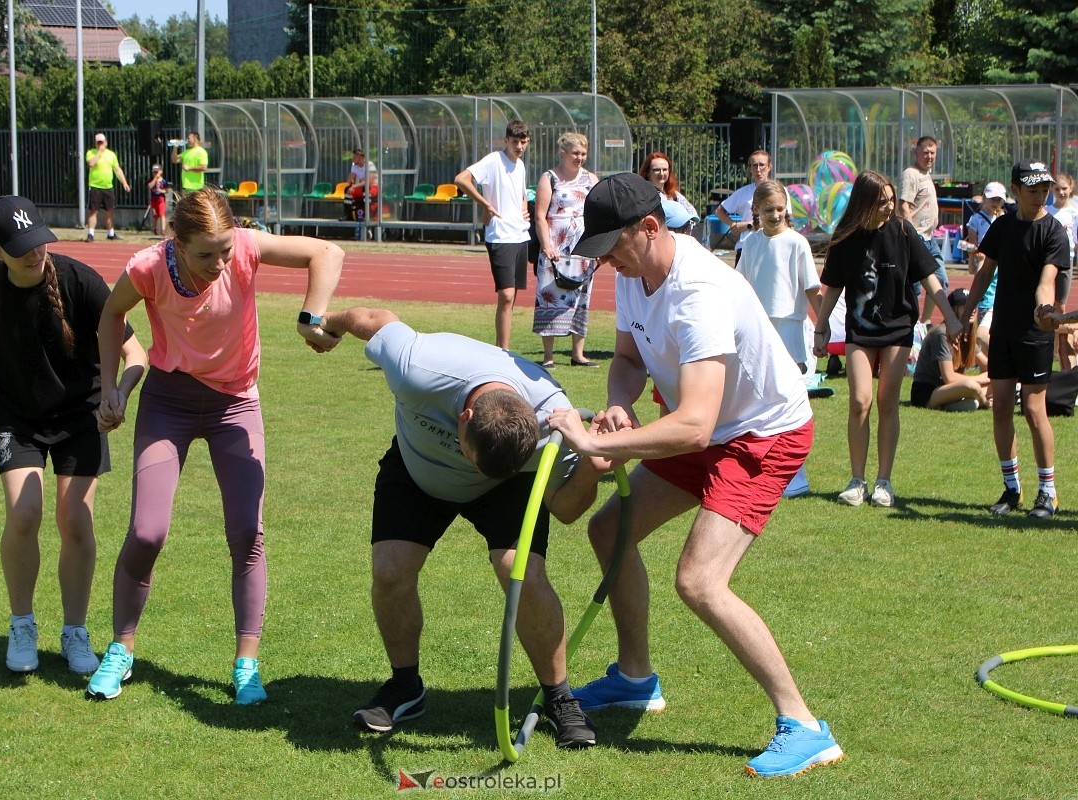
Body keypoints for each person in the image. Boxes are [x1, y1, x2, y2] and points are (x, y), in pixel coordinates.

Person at [550, 172, 844, 778]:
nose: (605, 265)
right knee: (609, 531)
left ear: (650, 228)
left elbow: (693, 426)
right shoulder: (636, 275)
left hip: (763, 435)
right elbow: (629, 359)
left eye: (610, 250)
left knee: (701, 581)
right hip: (705, 427)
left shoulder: (699, 290)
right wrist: (620, 404)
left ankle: (806, 727)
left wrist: (610, 444)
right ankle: (635, 678)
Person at [87, 187, 343, 703]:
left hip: (236, 406)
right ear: (175, 242)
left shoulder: (245, 248)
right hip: (168, 402)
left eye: (224, 250)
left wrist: (310, 318)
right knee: (146, 531)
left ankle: (246, 663)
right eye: (206, 253)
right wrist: (110, 386)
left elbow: (327, 252)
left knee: (247, 531)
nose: (220, 263)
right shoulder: (147, 266)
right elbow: (111, 316)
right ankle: (121, 648)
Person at [319, 306, 602, 748]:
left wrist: (593, 468)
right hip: (418, 468)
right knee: (391, 570)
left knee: (519, 571)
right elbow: (375, 317)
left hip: (510, 484)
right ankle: (405, 687)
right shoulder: (418, 365)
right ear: (463, 420)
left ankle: (559, 698)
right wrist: (331, 324)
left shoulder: (552, 420)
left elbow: (565, 509)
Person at [0, 195, 147, 673]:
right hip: (14, 416)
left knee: (75, 520)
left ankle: (75, 632)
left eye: (39, 241)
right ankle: (22, 624)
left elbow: (137, 354)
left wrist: (117, 393)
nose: (35, 252)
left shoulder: (79, 281)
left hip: (79, 415)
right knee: (25, 514)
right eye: (21, 246)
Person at [813, 170, 961, 508]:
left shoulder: (902, 231)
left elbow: (929, 278)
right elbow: (832, 287)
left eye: (891, 200)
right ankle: (856, 480)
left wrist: (950, 317)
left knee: (887, 401)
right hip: (860, 331)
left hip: (897, 329)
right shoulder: (846, 237)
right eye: (881, 202)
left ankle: (884, 481)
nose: (889, 207)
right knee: (860, 401)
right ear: (864, 203)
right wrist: (821, 329)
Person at [959, 160, 1070, 520]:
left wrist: (1043, 310)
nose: (1041, 195)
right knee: (1003, 407)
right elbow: (984, 274)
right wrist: (965, 313)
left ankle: (1048, 493)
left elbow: (1046, 280)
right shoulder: (1002, 227)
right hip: (1003, 329)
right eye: (1033, 189)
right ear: (1016, 191)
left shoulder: (1053, 231)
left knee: (1035, 411)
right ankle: (1012, 488)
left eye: (1045, 189)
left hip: (1034, 333)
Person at [454, 120, 532, 350]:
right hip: (500, 236)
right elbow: (461, 179)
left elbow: (521, 194)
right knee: (506, 295)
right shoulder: (493, 160)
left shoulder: (520, 166)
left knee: (512, 297)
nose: (519, 146)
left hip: (520, 235)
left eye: (523, 142)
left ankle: (504, 350)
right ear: (506, 140)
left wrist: (524, 209)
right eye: (515, 141)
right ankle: (501, 351)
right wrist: (484, 203)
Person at [736, 179, 821, 374]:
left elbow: (812, 288)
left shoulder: (797, 243)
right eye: (768, 210)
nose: (775, 215)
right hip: (758, 324)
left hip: (790, 324)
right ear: (756, 209)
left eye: (779, 209)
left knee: (790, 385)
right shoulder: (750, 243)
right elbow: (740, 285)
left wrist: (822, 327)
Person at [533, 132, 600, 369]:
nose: (580, 158)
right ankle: (548, 355)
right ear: (564, 153)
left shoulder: (591, 178)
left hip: (582, 248)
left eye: (583, 153)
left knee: (581, 298)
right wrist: (547, 245)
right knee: (550, 297)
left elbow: (597, 213)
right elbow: (540, 215)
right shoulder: (549, 178)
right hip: (555, 248)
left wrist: (598, 246)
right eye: (575, 153)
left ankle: (578, 354)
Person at [910, 288, 990, 411]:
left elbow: (988, 366)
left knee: (999, 381)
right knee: (971, 386)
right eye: (965, 306)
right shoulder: (941, 333)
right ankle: (984, 402)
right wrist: (980, 379)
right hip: (928, 392)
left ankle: (961, 402)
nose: (972, 310)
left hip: (952, 389)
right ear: (953, 309)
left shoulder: (967, 335)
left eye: (974, 305)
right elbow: (949, 378)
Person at [898, 135, 948, 326]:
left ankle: (924, 323)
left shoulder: (926, 175)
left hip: (930, 238)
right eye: (925, 152)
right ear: (916, 152)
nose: (929, 156)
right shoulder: (911, 174)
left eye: (932, 152)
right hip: (917, 238)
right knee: (915, 287)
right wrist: (913, 237)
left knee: (941, 280)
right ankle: (909, 325)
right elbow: (903, 206)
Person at [964, 181, 1008, 369]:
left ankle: (998, 365)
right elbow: (971, 246)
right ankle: (991, 368)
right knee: (981, 322)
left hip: (1000, 268)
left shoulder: (1005, 218)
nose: (995, 202)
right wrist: (974, 257)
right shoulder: (976, 220)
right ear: (984, 199)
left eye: (999, 199)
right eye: (992, 199)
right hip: (984, 265)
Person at [714, 149, 774, 264]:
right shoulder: (743, 192)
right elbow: (719, 211)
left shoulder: (780, 191)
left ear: (769, 166)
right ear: (750, 169)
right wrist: (733, 225)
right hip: (745, 248)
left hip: (769, 247)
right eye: (754, 165)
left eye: (762, 165)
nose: (758, 170)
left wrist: (747, 225)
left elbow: (781, 221)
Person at [1046, 172, 1077, 368]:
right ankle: (1051, 346)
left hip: (1067, 261)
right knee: (1047, 304)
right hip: (1049, 261)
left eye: (1064, 188)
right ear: (1052, 190)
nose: (1061, 192)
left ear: (1071, 188)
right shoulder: (1047, 211)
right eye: (1057, 189)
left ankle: (1061, 348)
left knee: (1061, 306)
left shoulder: (1074, 212)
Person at [85, 132, 131, 242]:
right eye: (98, 142)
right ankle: (90, 234)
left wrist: (124, 182)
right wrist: (99, 153)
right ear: (96, 143)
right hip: (95, 186)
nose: (100, 144)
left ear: (106, 142)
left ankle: (111, 233)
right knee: (93, 211)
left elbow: (117, 169)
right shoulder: (91, 152)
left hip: (108, 187)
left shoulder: (111, 154)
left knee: (109, 211)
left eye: (102, 142)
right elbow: (91, 163)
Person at [638, 151, 699, 221]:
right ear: (647, 173)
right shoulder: (641, 196)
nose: (661, 173)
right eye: (657, 170)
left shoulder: (675, 196)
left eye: (664, 170)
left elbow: (694, 215)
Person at [170, 130, 209, 195]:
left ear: (195, 138)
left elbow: (204, 167)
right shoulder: (187, 151)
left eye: (189, 138)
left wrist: (189, 168)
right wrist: (175, 147)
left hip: (196, 188)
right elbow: (174, 160)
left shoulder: (201, 152)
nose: (187, 141)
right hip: (185, 187)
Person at [147, 164, 169, 238]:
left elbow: (167, 190)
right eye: (154, 172)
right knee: (155, 215)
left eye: (157, 172)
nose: (155, 174)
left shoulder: (163, 181)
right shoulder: (152, 180)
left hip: (161, 199)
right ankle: (155, 229)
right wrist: (155, 178)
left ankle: (163, 230)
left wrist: (161, 191)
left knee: (162, 214)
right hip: (153, 199)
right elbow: (150, 186)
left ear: (161, 172)